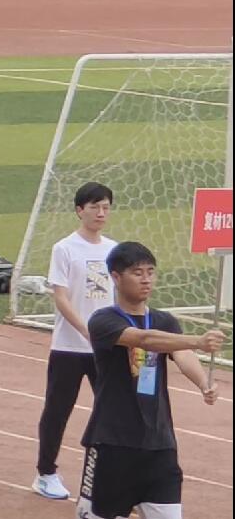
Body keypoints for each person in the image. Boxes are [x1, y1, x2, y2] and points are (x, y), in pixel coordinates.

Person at [75, 241, 224, 519]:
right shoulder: (103, 321)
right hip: (113, 443)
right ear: (116, 277)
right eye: (137, 272)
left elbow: (182, 354)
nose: (146, 280)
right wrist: (197, 340)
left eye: (150, 272)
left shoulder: (164, 321)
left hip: (159, 444)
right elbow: (144, 339)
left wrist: (203, 383)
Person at [32, 182, 117, 500]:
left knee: (112, 410)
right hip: (69, 347)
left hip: (105, 349)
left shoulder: (114, 250)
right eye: (95, 207)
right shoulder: (65, 249)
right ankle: (45, 473)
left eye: (106, 207)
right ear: (80, 210)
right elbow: (61, 297)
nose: (101, 213)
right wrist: (86, 330)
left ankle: (110, 475)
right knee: (58, 410)